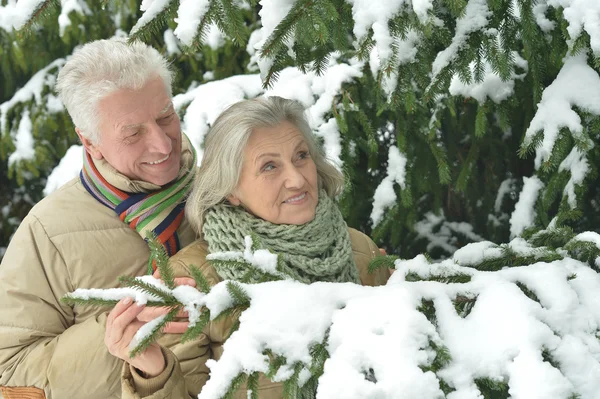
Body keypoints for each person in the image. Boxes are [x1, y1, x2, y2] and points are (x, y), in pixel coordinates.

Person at [112, 96, 390, 398]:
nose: (297, 179)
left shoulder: (359, 249)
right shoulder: (193, 279)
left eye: (301, 156)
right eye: (269, 166)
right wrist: (152, 372)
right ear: (230, 189)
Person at [0, 38, 198, 399]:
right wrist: (119, 332)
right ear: (89, 141)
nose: (163, 145)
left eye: (165, 116)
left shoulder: (225, 188)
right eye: (133, 133)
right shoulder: (48, 232)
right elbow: (10, 378)